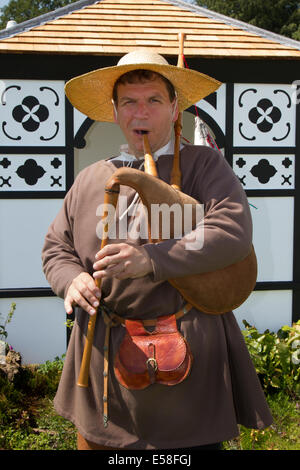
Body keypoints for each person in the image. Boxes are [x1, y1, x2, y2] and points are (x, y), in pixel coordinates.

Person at [42, 49, 273, 451]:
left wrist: (152, 260)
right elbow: (56, 248)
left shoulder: (204, 167)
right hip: (102, 355)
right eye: (129, 102)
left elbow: (231, 229)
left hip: (191, 355)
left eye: (153, 101)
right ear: (114, 111)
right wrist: (71, 280)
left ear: (174, 107)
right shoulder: (90, 178)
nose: (140, 113)